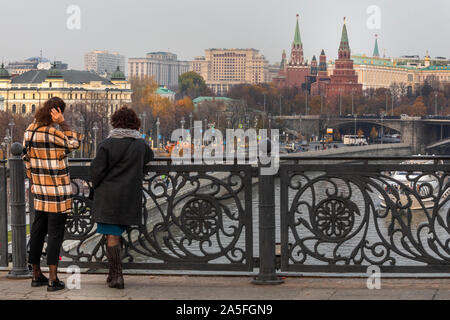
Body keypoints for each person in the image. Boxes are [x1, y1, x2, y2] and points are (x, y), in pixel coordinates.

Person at [89, 106, 154, 289]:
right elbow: (150, 156)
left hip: (109, 197)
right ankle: (113, 275)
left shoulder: (107, 144)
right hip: (129, 197)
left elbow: (96, 172)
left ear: (115, 122)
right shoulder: (140, 144)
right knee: (115, 234)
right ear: (135, 124)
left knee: (112, 236)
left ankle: (116, 276)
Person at [23, 97, 81, 292]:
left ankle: (36, 274)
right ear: (56, 112)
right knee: (55, 233)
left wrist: (32, 180)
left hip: (39, 190)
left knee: (38, 231)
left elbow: (25, 157)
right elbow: (74, 143)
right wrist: (63, 122)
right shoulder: (53, 132)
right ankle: (53, 279)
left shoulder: (29, 131)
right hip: (57, 191)